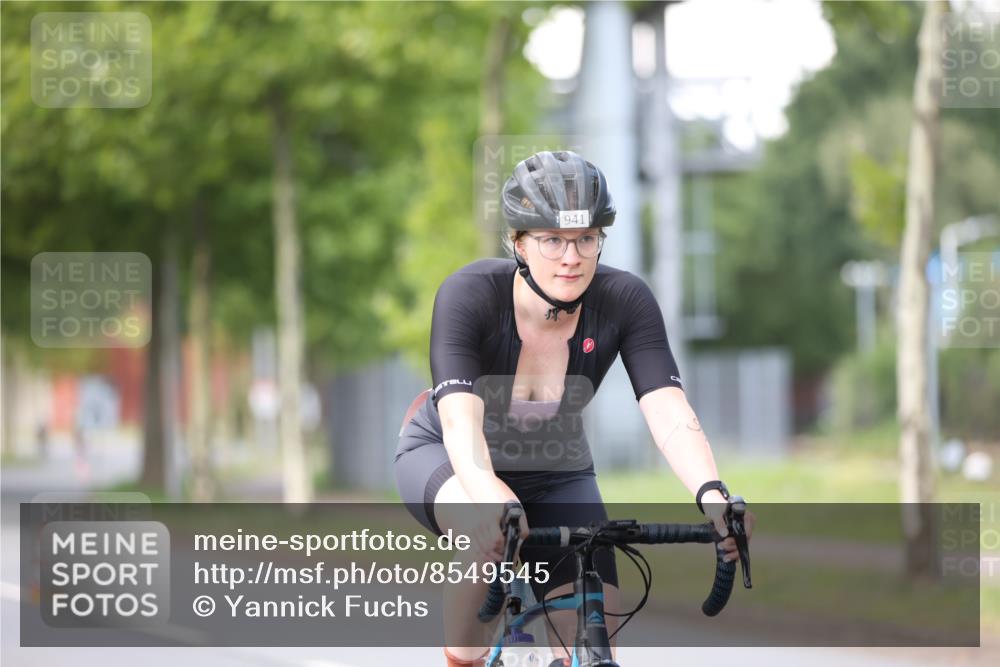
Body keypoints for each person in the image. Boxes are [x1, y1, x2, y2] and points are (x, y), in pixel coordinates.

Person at [394, 150, 753, 667]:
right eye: (552, 240)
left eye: (587, 238)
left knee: (596, 625)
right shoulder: (470, 294)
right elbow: (459, 423)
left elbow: (668, 409)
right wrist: (492, 498)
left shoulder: (625, 300)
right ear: (518, 242)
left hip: (556, 471)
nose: (572, 257)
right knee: (482, 536)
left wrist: (712, 494)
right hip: (450, 458)